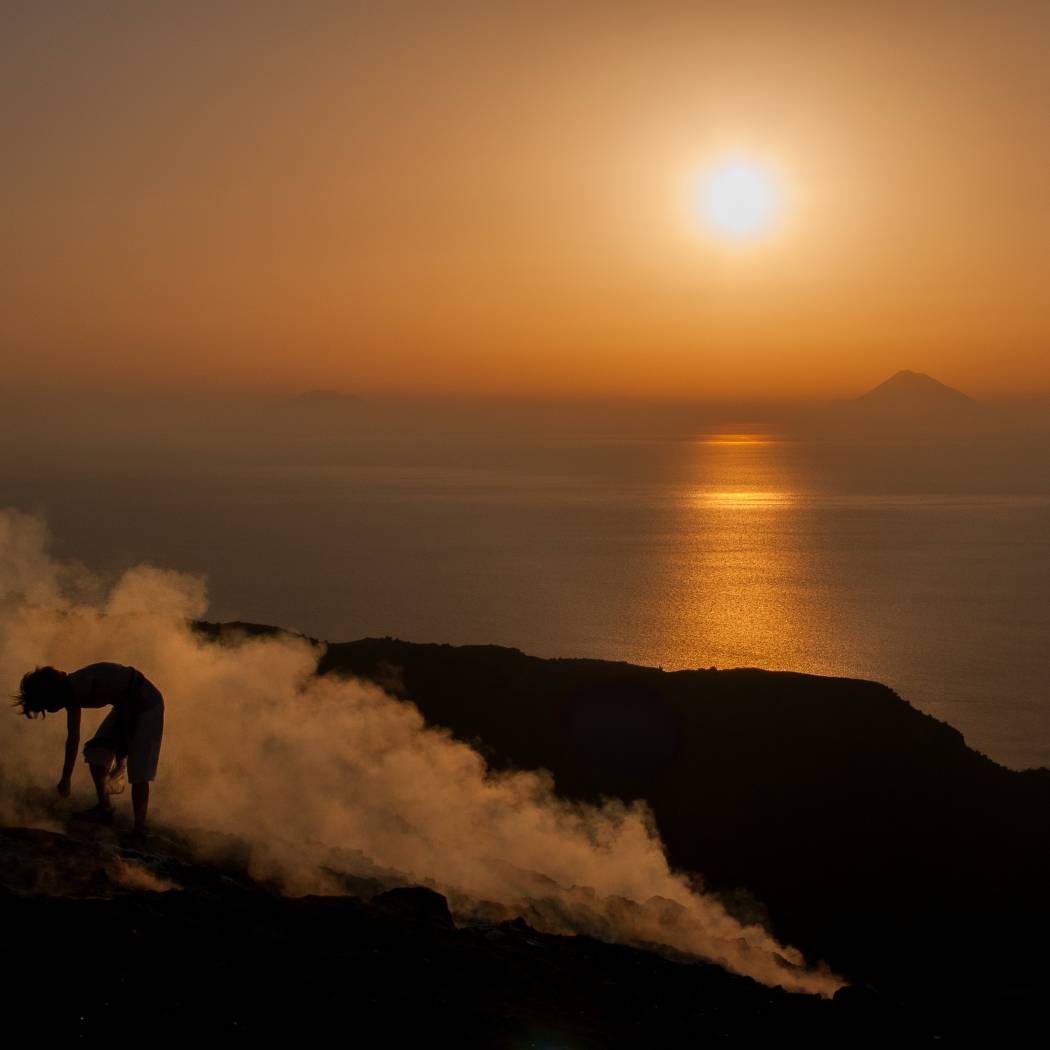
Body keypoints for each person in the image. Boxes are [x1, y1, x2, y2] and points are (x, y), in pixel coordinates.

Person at [13, 662, 164, 833]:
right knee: (96, 753)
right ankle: (104, 809)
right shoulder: (71, 693)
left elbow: (124, 707)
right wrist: (65, 778)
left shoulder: (81, 685)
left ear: (51, 693)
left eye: (46, 704)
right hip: (126, 704)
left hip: (146, 704)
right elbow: (73, 738)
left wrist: (122, 753)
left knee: (139, 770)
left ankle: (140, 828)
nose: (48, 709)